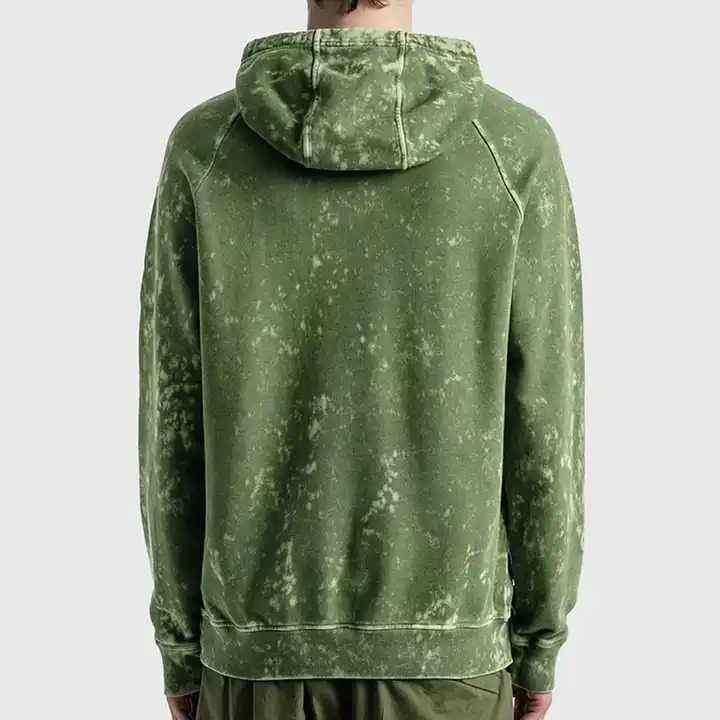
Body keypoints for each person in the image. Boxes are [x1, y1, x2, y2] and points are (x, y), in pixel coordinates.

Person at [138, 1, 586, 718]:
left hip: (256, 665)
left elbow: (172, 427)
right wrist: (539, 642)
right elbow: (546, 423)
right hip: (449, 667)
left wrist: (182, 647)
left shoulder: (207, 150)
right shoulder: (511, 149)